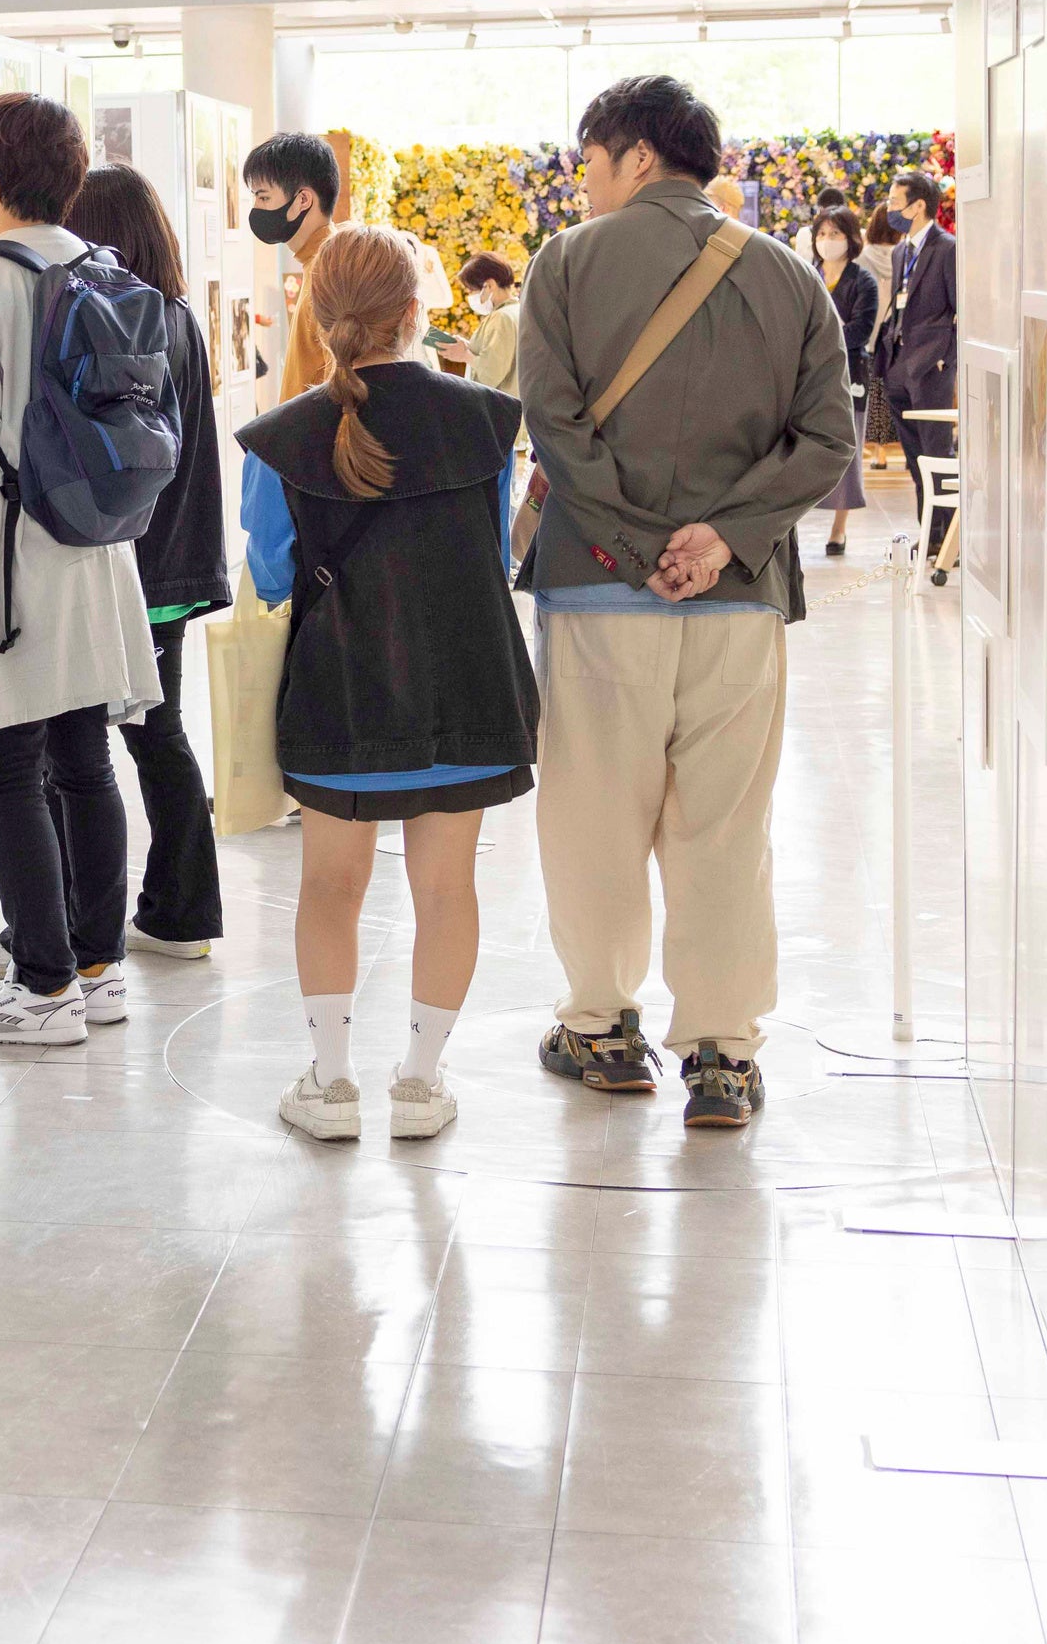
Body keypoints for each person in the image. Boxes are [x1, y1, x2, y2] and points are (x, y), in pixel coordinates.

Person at [516, 75, 856, 1129]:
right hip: (739, 598)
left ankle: (603, 1029)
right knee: (725, 827)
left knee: (594, 818)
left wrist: (632, 544)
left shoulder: (565, 264)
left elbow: (555, 424)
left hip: (596, 589)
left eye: (589, 161)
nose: (584, 183)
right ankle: (720, 1052)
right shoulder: (790, 275)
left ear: (636, 155)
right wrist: (725, 539)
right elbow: (829, 439)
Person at [240, 227, 536, 1143]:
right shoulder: (487, 420)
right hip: (467, 687)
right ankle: (420, 1082)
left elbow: (274, 577)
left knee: (330, 885)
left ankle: (331, 1086)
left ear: (317, 317)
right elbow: (494, 553)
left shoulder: (282, 438)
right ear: (415, 313)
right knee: (447, 889)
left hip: (341, 691)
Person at [0, 94, 161, 1044]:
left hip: (7, 551)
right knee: (85, 761)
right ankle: (97, 969)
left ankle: (41, 988)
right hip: (94, 547)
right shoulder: (98, 266)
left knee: (8, 767)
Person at [68, 164, 226, 955]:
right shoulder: (176, 315)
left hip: (140, 568)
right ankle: (176, 912)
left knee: (103, 745)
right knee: (153, 736)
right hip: (169, 565)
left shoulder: (138, 322)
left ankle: (106, 919)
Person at [875, 169, 960, 523]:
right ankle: (927, 531)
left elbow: (961, 311)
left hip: (931, 368)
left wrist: (946, 359)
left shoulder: (948, 248)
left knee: (936, 453)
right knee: (914, 457)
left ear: (918, 206)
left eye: (895, 201)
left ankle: (945, 535)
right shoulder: (900, 251)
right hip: (899, 364)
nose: (889, 208)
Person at [240, 128, 343, 401]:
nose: (256, 208)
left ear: (303, 200)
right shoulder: (320, 263)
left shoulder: (331, 273)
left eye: (263, 197)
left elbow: (342, 384)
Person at [808, 205, 880, 560]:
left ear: (850, 239)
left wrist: (823, 339)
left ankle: (839, 528)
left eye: (835, 234)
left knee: (847, 449)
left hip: (850, 373)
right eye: (821, 234)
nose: (827, 240)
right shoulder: (807, 274)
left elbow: (860, 331)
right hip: (809, 373)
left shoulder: (863, 281)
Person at [459, 250, 524, 396]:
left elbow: (490, 375)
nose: (470, 296)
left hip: (500, 403)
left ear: (489, 285)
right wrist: (468, 347)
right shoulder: (517, 311)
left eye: (471, 290)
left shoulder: (501, 317)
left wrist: (464, 355)